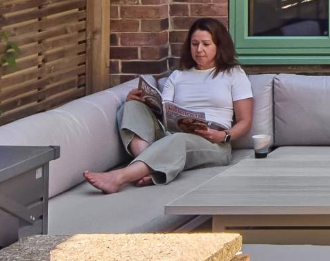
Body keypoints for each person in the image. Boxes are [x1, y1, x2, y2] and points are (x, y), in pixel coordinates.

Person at [82, 16, 255, 193]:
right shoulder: (178, 76)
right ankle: (152, 166)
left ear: (219, 46)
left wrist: (223, 136)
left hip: (213, 142)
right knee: (131, 107)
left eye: (206, 44)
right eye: (194, 44)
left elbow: (245, 121)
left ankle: (119, 177)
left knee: (177, 140)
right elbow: (165, 111)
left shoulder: (233, 74)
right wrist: (144, 102)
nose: (199, 50)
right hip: (171, 134)